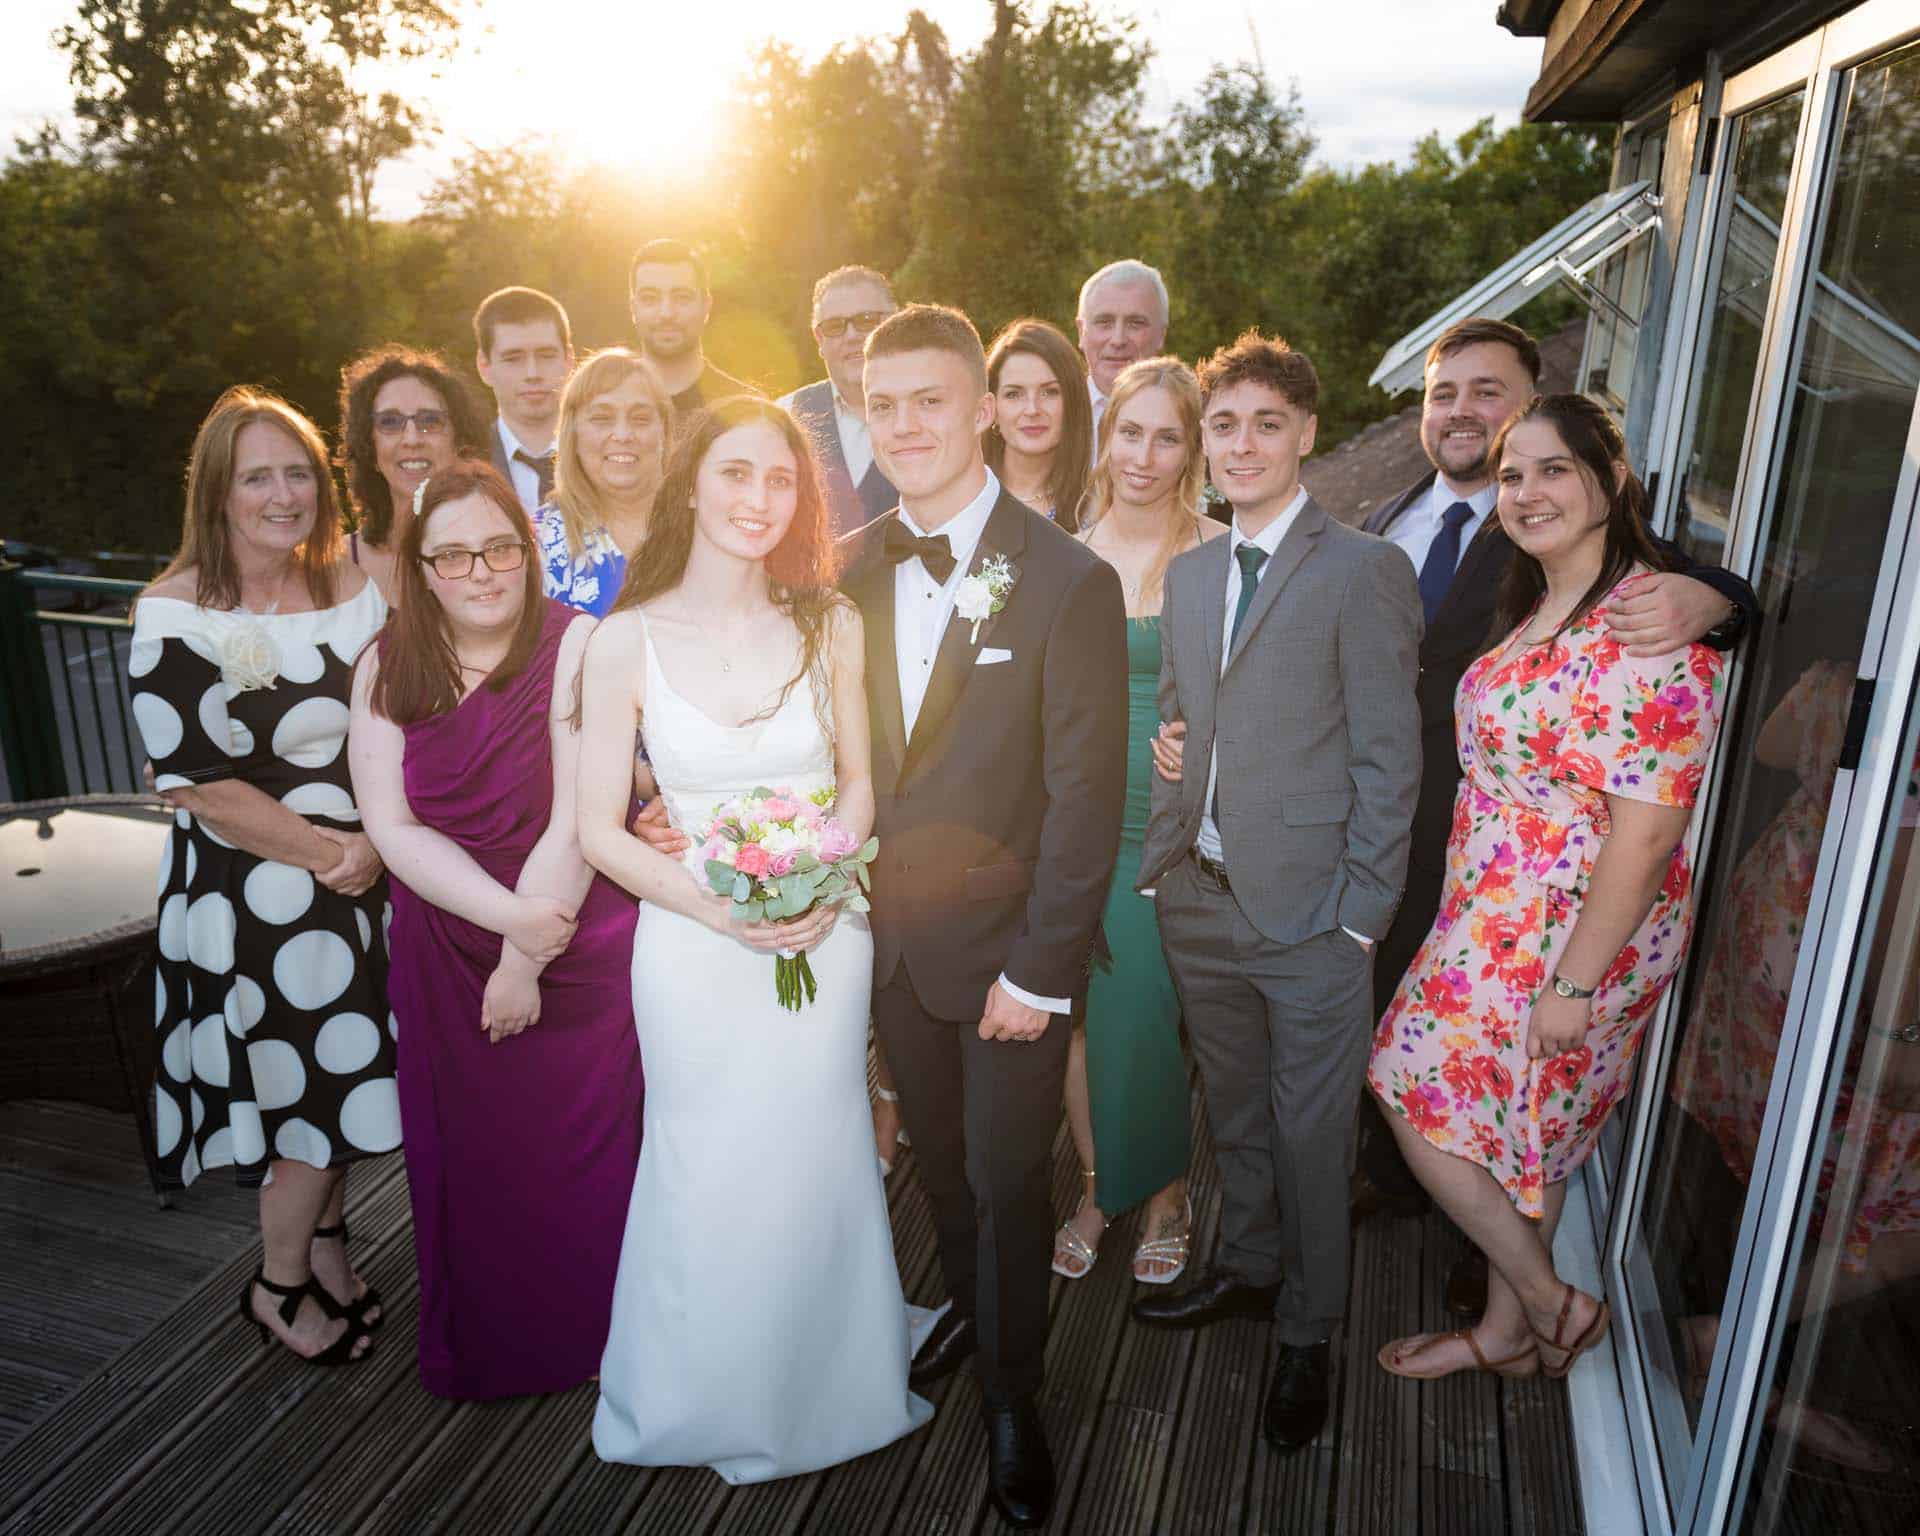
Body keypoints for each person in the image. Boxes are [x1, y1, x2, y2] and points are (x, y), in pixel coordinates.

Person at [1347, 315, 1757, 1316]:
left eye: (1548, 467)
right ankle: (1508, 1324)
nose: (1523, 489)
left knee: (1417, 1085)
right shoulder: (1499, 575)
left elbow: (1651, 824)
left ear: (1608, 478)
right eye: (1512, 473)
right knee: (1530, 1122)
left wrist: (1717, 599)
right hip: (1465, 881)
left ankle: (1545, 1301)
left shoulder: (1651, 609)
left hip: (1564, 918)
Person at [578, 397, 932, 1482]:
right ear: (693, 483)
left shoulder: (831, 624)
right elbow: (597, 828)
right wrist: (724, 911)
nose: (759, 500)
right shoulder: (621, 640)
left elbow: (864, 784)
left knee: (816, 1148)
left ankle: (829, 1376)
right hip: (692, 944)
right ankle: (699, 1389)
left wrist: (820, 876)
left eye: (781, 482)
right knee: (702, 1157)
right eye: (737, 475)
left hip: (825, 931)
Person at [843, 303, 1128, 1527]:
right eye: (885, 403)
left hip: (1009, 958)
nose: (907, 425)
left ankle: (1017, 1399)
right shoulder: (845, 567)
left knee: (1012, 1181)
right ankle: (966, 1305)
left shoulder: (1068, 577)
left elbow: (1085, 799)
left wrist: (1043, 972)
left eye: (929, 400)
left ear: (979, 408)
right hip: (887, 948)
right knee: (944, 1178)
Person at [1131, 332, 1421, 1456]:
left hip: (1312, 917)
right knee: (1235, 1115)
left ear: (1306, 433)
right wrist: (1165, 853)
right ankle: (1248, 1271)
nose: (1241, 444)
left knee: (1311, 1134)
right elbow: (1189, 719)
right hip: (1200, 901)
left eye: (1265, 423)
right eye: (1223, 424)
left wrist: (1359, 916)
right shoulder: (1195, 572)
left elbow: (1389, 759)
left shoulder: (1363, 568)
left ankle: (1310, 1331)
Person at [348, 461, 643, 1400]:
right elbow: (391, 826)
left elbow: (574, 817)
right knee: (474, 1166)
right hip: (446, 945)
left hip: (578, 938)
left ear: (528, 549)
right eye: (453, 554)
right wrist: (507, 920)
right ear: (422, 568)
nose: (480, 571)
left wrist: (525, 956)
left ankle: (614, 1337)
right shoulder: (384, 664)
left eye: (500, 548)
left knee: (595, 1152)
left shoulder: (579, 643)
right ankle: (499, 1345)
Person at [130, 386, 395, 1368]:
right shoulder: (172, 611)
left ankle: (325, 1247)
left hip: (359, 893)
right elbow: (201, 784)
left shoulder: (353, 585)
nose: (281, 494)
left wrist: (373, 854)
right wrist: (337, 854)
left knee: (344, 1085)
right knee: (302, 1101)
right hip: (261, 901)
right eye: (256, 476)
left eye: (297, 472)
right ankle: (276, 1288)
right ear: (218, 490)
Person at [1051, 357, 1221, 1288]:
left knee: (1150, 1012)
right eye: (1130, 432)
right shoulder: (1064, 554)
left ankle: (1164, 1193)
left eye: (1167, 436)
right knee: (1078, 1016)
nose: (1144, 456)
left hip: (1175, 826)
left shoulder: (1224, 553)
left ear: (1192, 448)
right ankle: (1096, 1183)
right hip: (1075, 816)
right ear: (1105, 436)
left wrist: (1208, 743)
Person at [337, 345, 488, 603]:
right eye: (390, 422)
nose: (412, 439)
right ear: (368, 446)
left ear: (458, 440)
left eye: (430, 421)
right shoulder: (335, 564)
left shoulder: (497, 556)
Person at [533, 348, 673, 617]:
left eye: (640, 419)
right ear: (572, 433)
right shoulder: (537, 541)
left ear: (663, 431)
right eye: (602, 418)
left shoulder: (701, 525)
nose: (622, 434)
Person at [779, 265, 899, 539]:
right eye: (835, 326)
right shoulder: (785, 416)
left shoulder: (938, 413)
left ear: (894, 322)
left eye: (867, 320)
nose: (852, 335)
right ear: (819, 339)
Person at [628, 238, 762, 419]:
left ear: (706, 306)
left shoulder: (745, 410)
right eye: (650, 298)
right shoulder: (601, 406)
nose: (666, 313)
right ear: (633, 308)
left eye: (682, 298)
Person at [982, 318, 1094, 531]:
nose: (1033, 409)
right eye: (1014, 394)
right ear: (992, 408)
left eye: (1049, 392)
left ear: (1073, 402)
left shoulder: (1092, 516)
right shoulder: (959, 497)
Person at [474, 286, 575, 515]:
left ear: (569, 359)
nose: (532, 373)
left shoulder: (603, 457)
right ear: (484, 366)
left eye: (546, 356)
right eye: (513, 359)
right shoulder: (463, 464)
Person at [1075, 259, 1170, 440]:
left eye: (1135, 324)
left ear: (1161, 335)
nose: (1118, 340)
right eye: (1104, 322)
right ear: (1081, 331)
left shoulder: (1192, 420)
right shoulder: (1051, 416)